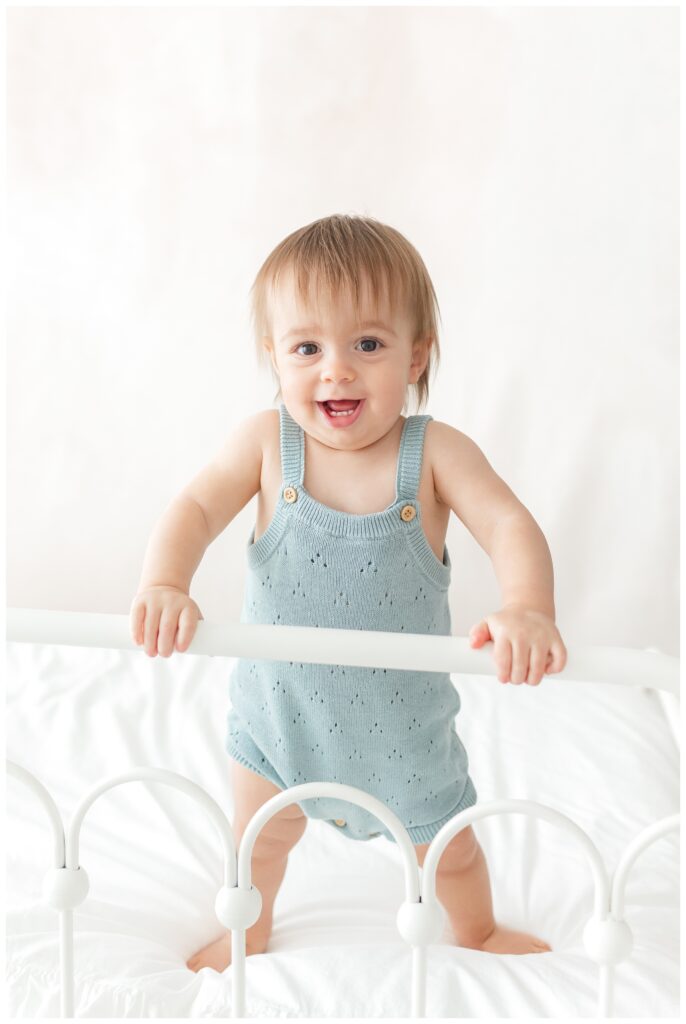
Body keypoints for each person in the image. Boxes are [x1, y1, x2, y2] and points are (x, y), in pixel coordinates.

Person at [130, 214, 566, 972]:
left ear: (416, 355)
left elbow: (508, 523)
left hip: (406, 734)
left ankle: (481, 932)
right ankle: (248, 932)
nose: (336, 371)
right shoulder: (267, 444)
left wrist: (527, 605)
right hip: (279, 720)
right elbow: (195, 509)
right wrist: (167, 582)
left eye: (368, 344)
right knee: (257, 843)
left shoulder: (433, 455)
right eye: (308, 348)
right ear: (274, 357)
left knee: (451, 856)